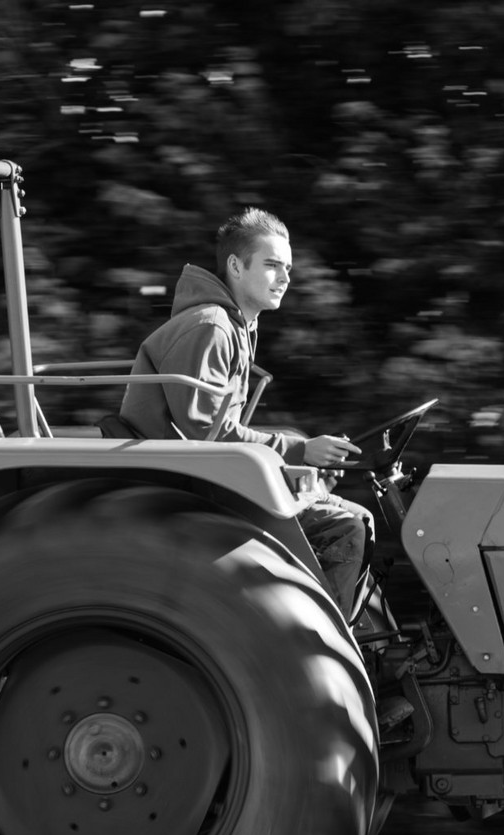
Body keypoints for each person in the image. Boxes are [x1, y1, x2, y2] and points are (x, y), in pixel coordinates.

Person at [118, 208, 371, 621]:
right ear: (236, 266)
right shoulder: (212, 327)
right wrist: (300, 449)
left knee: (354, 517)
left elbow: (219, 429)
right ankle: (316, 642)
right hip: (188, 481)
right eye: (272, 265)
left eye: (287, 268)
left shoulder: (234, 325)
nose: (285, 278)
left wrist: (298, 458)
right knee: (344, 528)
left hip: (204, 472)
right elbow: (208, 435)